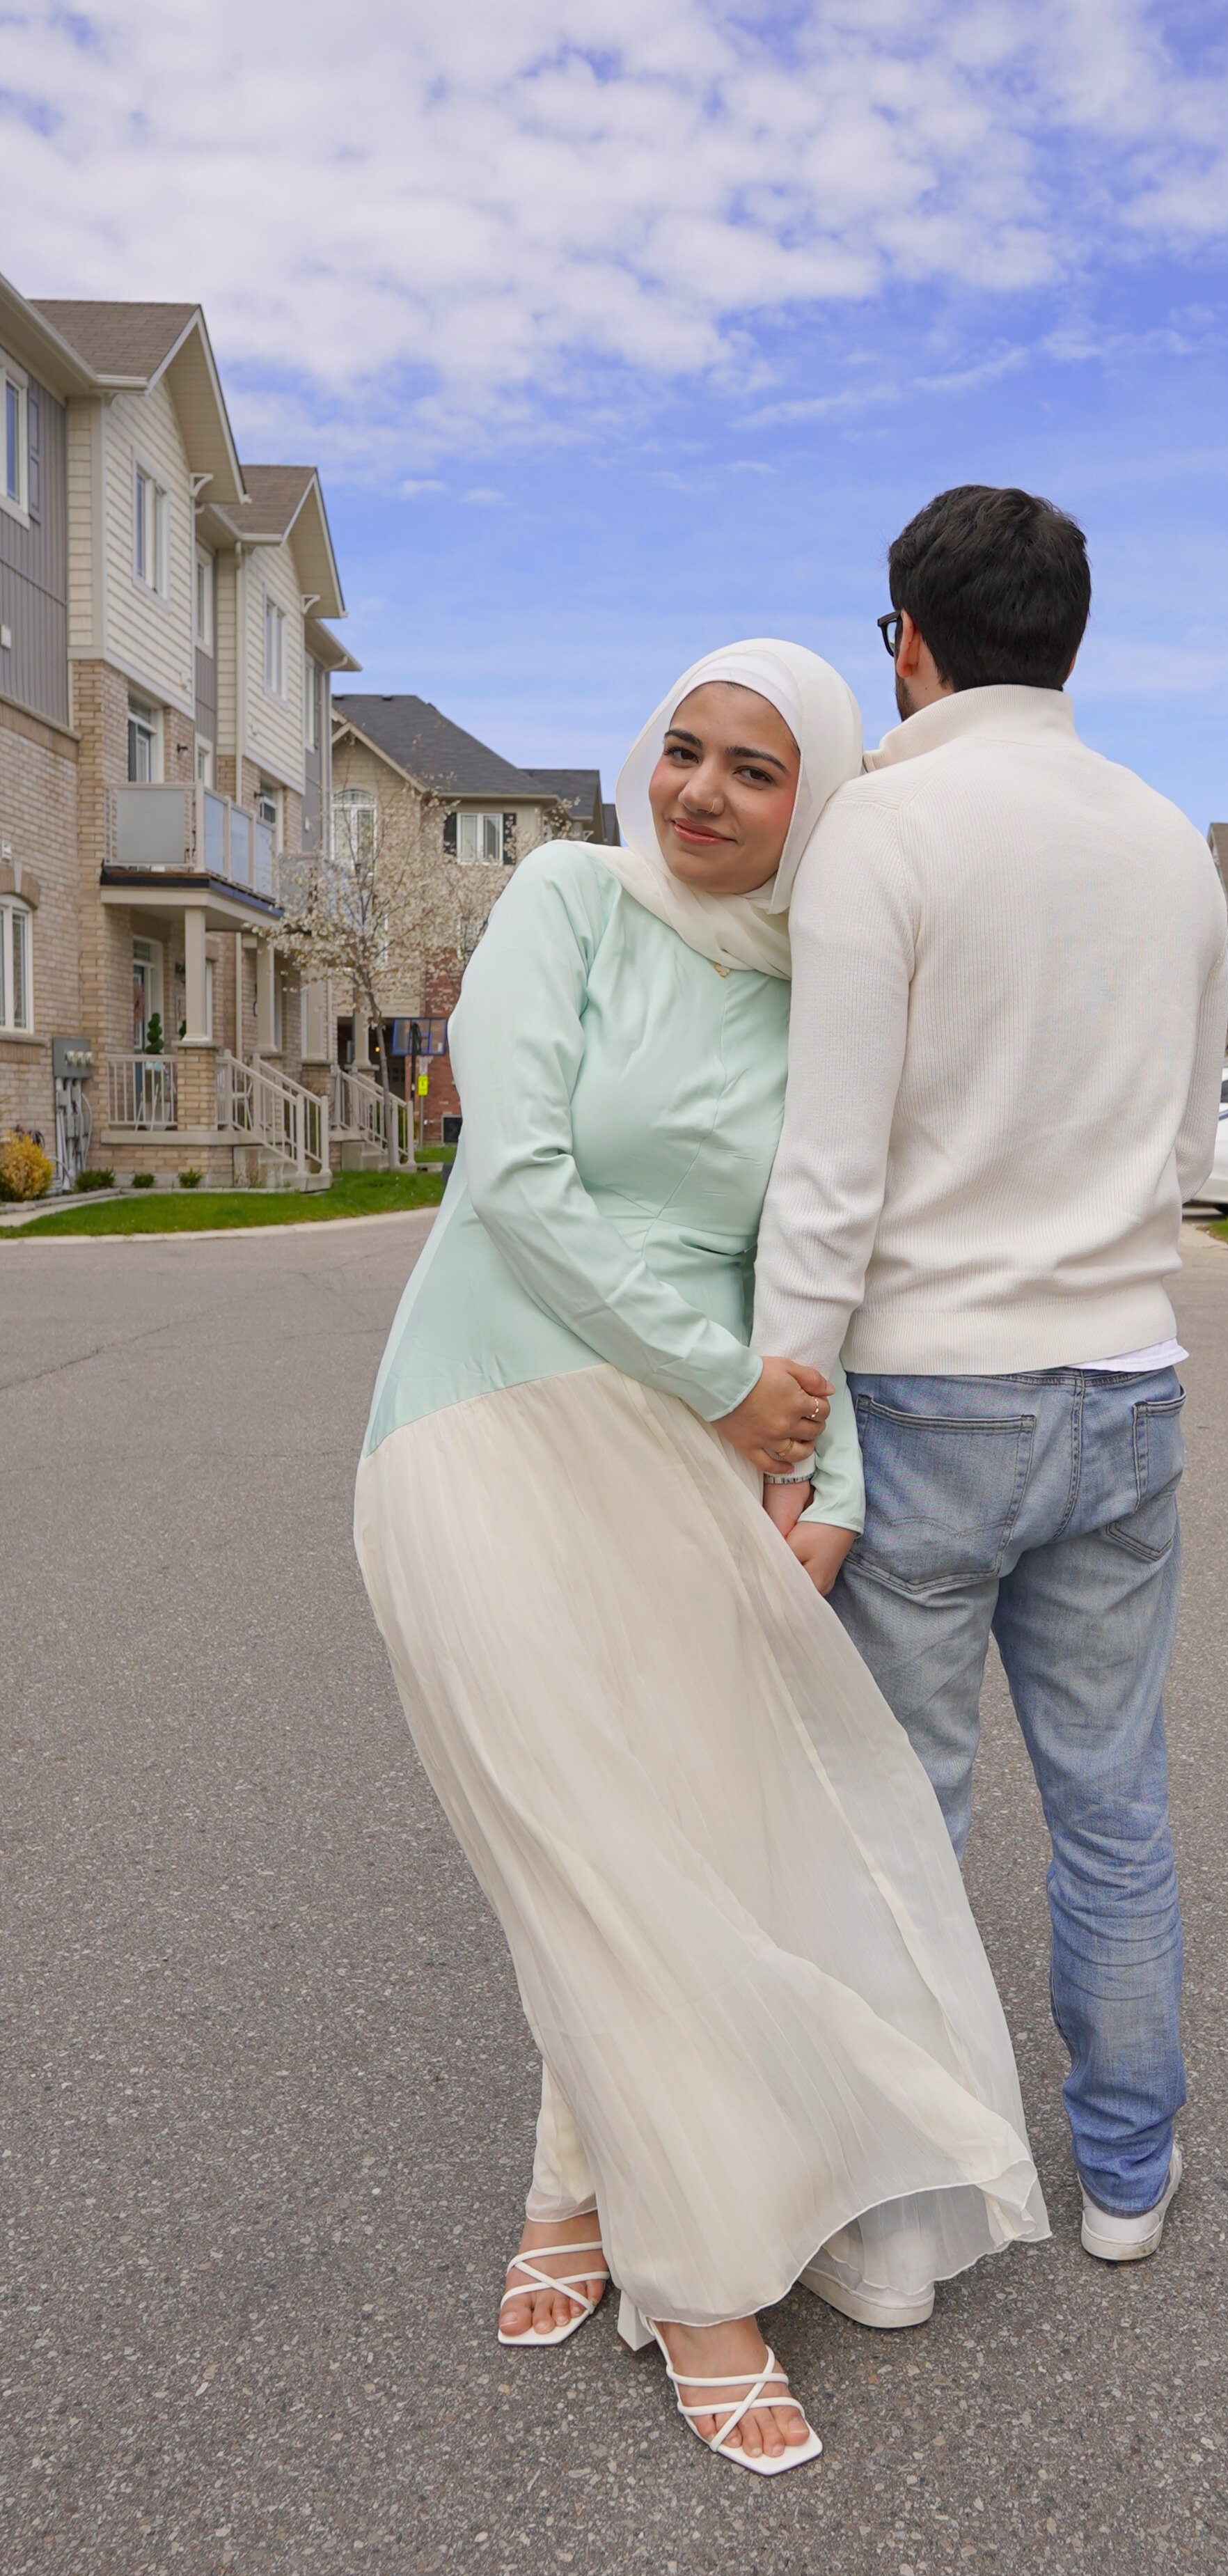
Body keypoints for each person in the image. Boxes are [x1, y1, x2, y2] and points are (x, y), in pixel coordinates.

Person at [354, 639, 1048, 2482]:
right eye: (684, 750)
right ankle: (704, 2284)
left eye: (755, 771)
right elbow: (516, 1178)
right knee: (576, 1846)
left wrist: (827, 1469)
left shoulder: (816, 995)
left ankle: (570, 2188)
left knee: (660, 1845)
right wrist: (740, 1391)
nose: (703, 796)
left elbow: (815, 1267)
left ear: (814, 801)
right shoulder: (567, 902)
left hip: (687, 1465)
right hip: (478, 1431)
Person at [753, 491, 1228, 2268]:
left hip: (931, 1392)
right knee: (1111, 1797)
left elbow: (829, 1167)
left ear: (907, 641)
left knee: (905, 1815)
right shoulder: (1170, 843)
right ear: (1073, 639)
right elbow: (1187, 1143)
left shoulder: (887, 829)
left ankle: (900, 2222)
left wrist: (785, 1419)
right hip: (1122, 1385)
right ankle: (1122, 2176)